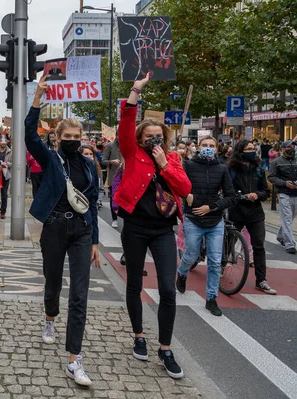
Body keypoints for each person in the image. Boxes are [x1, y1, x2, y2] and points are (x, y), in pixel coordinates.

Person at [113, 74, 191, 380]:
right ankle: (138, 335)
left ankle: (165, 348)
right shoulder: (131, 153)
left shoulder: (172, 159)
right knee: (135, 283)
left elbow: (184, 188)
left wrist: (164, 164)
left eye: (159, 137)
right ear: (141, 138)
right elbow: (126, 122)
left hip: (162, 230)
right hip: (134, 226)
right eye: (149, 137)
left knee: (168, 290)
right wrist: (135, 91)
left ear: (166, 139)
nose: (154, 141)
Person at [25, 77, 100, 387]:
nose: (73, 139)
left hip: (82, 230)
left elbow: (93, 202)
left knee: (80, 294)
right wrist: (38, 97)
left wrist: (95, 240)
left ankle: (74, 359)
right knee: (53, 282)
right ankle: (49, 318)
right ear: (57, 138)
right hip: (54, 227)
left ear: (82, 138)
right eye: (67, 136)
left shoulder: (89, 165)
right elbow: (29, 136)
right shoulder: (51, 159)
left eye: (76, 135)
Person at [177, 136, 238, 316]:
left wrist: (211, 207)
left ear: (217, 149)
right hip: (193, 218)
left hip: (215, 220)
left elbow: (231, 196)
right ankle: (182, 273)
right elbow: (178, 185)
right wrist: (186, 195)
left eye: (211, 146)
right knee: (191, 254)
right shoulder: (188, 165)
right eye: (205, 145)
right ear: (198, 147)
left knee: (214, 261)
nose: (208, 148)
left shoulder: (221, 168)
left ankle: (211, 298)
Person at [227, 140, 276, 294]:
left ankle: (261, 280)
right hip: (237, 211)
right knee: (229, 240)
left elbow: (266, 191)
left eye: (253, 149)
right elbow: (227, 190)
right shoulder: (231, 169)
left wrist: (258, 195)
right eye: (248, 149)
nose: (252, 151)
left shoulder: (259, 170)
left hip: (255, 213)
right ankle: (221, 264)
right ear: (240, 151)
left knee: (259, 246)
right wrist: (240, 197)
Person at [268, 140, 297, 254]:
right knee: (286, 217)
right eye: (288, 147)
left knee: (291, 216)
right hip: (283, 193)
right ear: (282, 148)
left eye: (293, 146)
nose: (291, 149)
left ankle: (281, 235)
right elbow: (271, 177)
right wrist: (284, 183)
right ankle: (290, 244)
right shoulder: (277, 162)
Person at [101, 137, 124, 228]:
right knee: (113, 198)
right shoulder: (110, 145)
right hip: (114, 176)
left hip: (127, 176)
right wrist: (111, 161)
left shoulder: (130, 145)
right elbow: (103, 160)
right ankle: (114, 219)